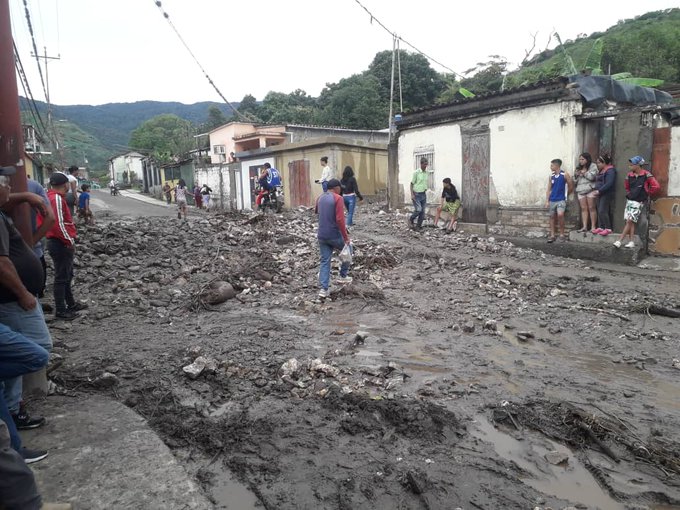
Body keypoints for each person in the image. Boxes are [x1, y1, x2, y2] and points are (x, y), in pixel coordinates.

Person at [0, 166, 54, 431]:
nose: (9, 188)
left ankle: (11, 406)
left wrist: (25, 196)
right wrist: (23, 293)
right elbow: (1, 263)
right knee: (35, 350)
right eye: (5, 183)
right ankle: (11, 407)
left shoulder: (3, 209)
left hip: (15, 298)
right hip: (13, 299)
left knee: (23, 351)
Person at [45, 172, 87, 320]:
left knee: (67, 275)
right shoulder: (56, 198)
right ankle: (62, 311)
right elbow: (58, 223)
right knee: (62, 277)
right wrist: (69, 241)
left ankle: (70, 304)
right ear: (65, 185)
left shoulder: (52, 197)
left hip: (59, 241)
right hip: (59, 242)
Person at [315, 178, 351, 299]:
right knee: (348, 249)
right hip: (333, 234)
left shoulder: (319, 198)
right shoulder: (338, 198)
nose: (341, 191)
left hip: (321, 235)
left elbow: (317, 213)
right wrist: (346, 238)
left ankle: (323, 289)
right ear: (336, 188)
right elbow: (340, 219)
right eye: (340, 188)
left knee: (325, 261)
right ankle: (343, 276)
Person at [613, 156, 660, 249]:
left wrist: (647, 193)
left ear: (638, 165)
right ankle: (631, 241)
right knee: (630, 221)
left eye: (633, 164)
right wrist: (631, 193)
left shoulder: (646, 175)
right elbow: (627, 186)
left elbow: (656, 186)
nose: (630, 165)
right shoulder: (629, 175)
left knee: (630, 220)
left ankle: (620, 240)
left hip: (639, 201)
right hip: (630, 200)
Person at [27, 177, 54, 312]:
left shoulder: (33, 187)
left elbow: (51, 218)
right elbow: (51, 218)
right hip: (34, 251)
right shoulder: (33, 186)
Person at [545, 158, 573, 243]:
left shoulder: (565, 174)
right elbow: (549, 189)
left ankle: (561, 234)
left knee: (560, 215)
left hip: (561, 199)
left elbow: (571, 186)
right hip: (552, 199)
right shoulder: (551, 176)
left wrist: (565, 195)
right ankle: (552, 235)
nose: (550, 167)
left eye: (552, 165)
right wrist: (547, 200)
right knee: (552, 217)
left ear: (557, 165)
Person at [591, 154, 617, 236]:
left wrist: (599, 191)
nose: (597, 164)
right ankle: (601, 227)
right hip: (600, 193)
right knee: (599, 210)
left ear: (604, 163)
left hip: (606, 193)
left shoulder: (610, 171)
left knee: (603, 210)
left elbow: (609, 183)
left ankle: (608, 228)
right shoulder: (602, 170)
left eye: (599, 163)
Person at [574, 152, 598, 232]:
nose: (580, 161)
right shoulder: (578, 167)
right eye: (580, 159)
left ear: (587, 159)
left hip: (590, 189)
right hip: (580, 190)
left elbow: (592, 177)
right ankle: (584, 227)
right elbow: (574, 180)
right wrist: (576, 175)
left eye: (582, 159)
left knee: (592, 208)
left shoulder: (593, 166)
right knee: (583, 208)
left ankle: (593, 227)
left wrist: (584, 173)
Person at [409, 157, 429, 229]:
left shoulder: (427, 172)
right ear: (421, 164)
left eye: (426, 164)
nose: (425, 166)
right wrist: (412, 194)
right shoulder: (416, 172)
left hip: (423, 194)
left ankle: (418, 226)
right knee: (418, 209)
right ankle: (411, 219)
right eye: (424, 164)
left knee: (422, 212)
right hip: (416, 194)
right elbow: (411, 184)